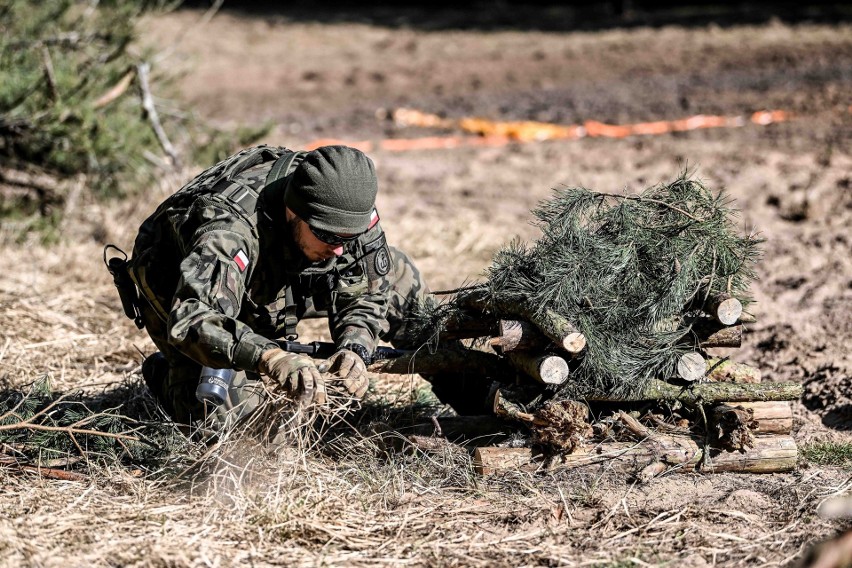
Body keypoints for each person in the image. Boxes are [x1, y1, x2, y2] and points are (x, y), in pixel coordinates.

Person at [124, 145, 431, 427]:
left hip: (285, 275)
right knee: (237, 422)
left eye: (348, 238)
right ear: (293, 211)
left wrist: (355, 346)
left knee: (401, 279)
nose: (339, 250)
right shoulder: (229, 230)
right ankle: (171, 375)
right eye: (331, 237)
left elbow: (366, 288)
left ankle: (474, 398)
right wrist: (269, 357)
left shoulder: (344, 205)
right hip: (192, 295)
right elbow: (194, 316)